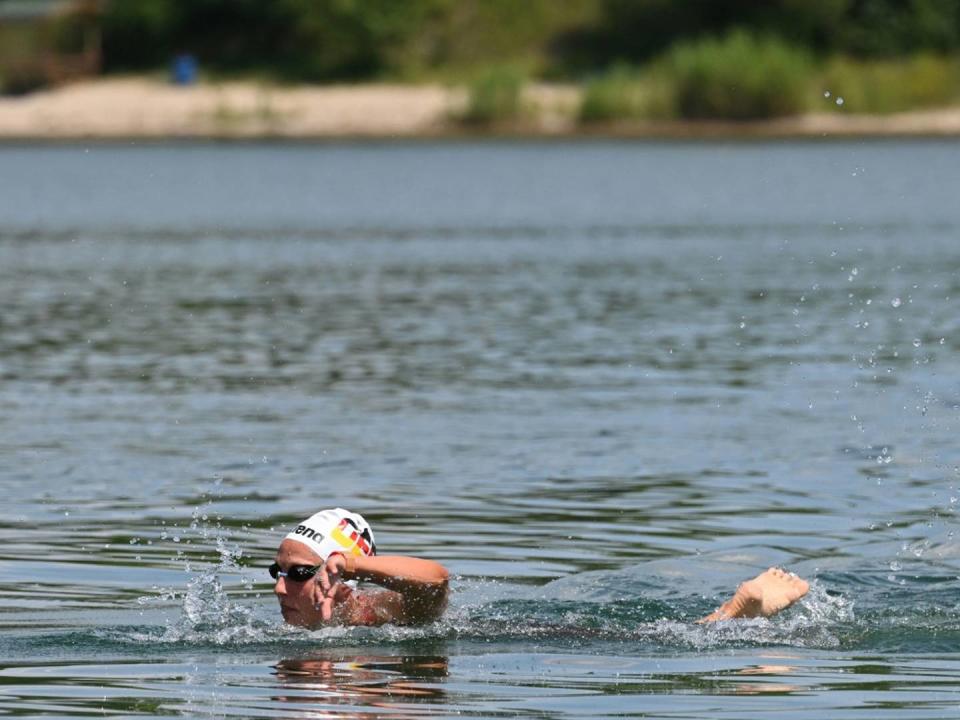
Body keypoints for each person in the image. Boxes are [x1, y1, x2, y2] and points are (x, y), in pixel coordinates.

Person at [271, 508, 808, 628]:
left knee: (669, 639)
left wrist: (356, 565)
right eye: (276, 571)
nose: (279, 586)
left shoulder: (379, 612)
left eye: (297, 572)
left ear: (336, 578)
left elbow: (436, 578)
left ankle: (737, 610)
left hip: (555, 636)